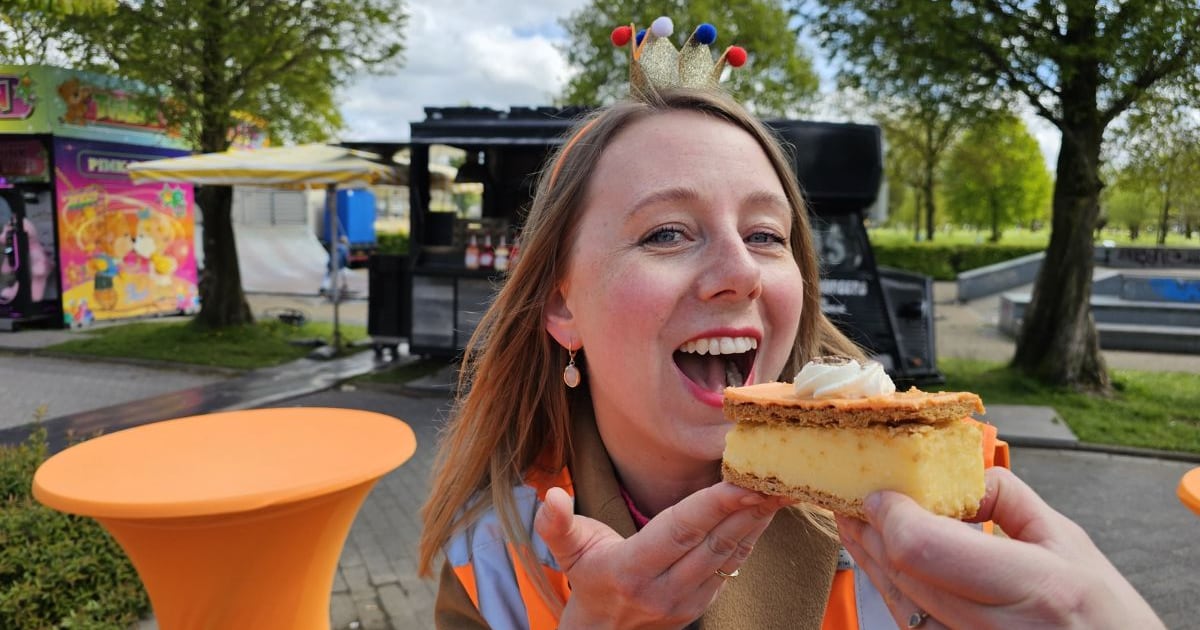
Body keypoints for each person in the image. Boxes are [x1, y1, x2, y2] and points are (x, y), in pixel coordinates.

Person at [417, 28, 1165, 630]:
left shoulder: (953, 501)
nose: (739, 272)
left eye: (767, 236)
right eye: (667, 233)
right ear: (561, 305)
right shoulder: (492, 560)